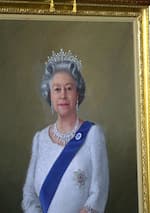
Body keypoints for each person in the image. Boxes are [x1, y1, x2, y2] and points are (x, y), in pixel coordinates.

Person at [22, 49, 109, 213]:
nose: (63, 95)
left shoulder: (93, 134)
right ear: (49, 95)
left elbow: (99, 191)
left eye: (69, 88)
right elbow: (29, 194)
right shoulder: (39, 139)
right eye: (57, 89)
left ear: (78, 93)